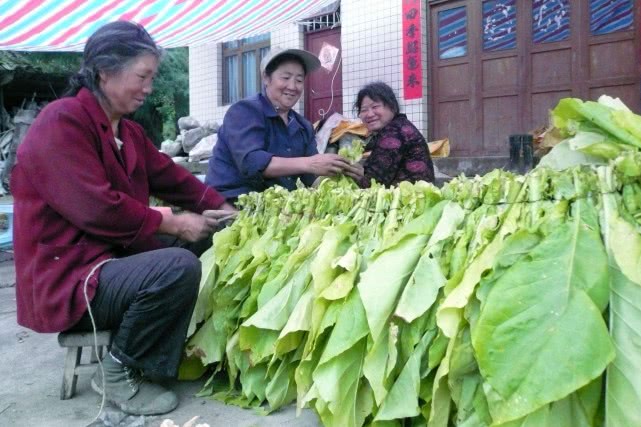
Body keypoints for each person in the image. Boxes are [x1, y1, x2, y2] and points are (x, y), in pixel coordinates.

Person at [11, 21, 235, 416]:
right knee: (177, 266)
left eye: (151, 77)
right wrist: (170, 221)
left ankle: (164, 346)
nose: (148, 87)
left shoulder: (126, 131)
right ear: (105, 71)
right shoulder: (62, 121)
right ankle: (117, 372)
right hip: (72, 276)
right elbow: (97, 208)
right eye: (142, 76)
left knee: (206, 237)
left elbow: (173, 177)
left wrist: (222, 208)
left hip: (112, 259)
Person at [205, 46, 362, 202]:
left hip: (275, 207)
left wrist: (343, 171)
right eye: (285, 78)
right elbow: (251, 162)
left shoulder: (303, 126)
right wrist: (309, 163)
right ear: (266, 78)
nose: (293, 86)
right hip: (229, 202)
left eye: (299, 80)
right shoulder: (245, 111)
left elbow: (311, 177)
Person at [353, 81, 434, 187]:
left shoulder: (393, 134)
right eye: (364, 110)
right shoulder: (399, 126)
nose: (369, 114)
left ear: (392, 107)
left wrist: (353, 173)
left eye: (375, 107)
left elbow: (373, 184)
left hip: (409, 199)